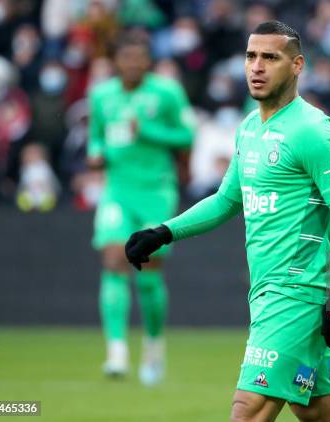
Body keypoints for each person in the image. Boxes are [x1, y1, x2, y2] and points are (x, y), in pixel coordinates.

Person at [125, 21, 330, 422]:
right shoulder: (249, 129)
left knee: (247, 410)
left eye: (270, 57)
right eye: (251, 56)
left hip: (297, 292)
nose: (257, 66)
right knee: (319, 413)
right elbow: (224, 201)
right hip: (267, 290)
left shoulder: (312, 130)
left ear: (297, 65)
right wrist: (162, 232)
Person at [87, 31, 195, 385]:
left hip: (157, 191)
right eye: (126, 57)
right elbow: (96, 137)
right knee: (114, 258)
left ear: (148, 61)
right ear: (116, 61)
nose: (133, 63)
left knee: (149, 271)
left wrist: (146, 129)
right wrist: (95, 153)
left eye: (139, 57)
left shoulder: (166, 92)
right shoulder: (102, 95)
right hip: (117, 190)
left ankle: (152, 343)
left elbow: (186, 136)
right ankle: (116, 350)